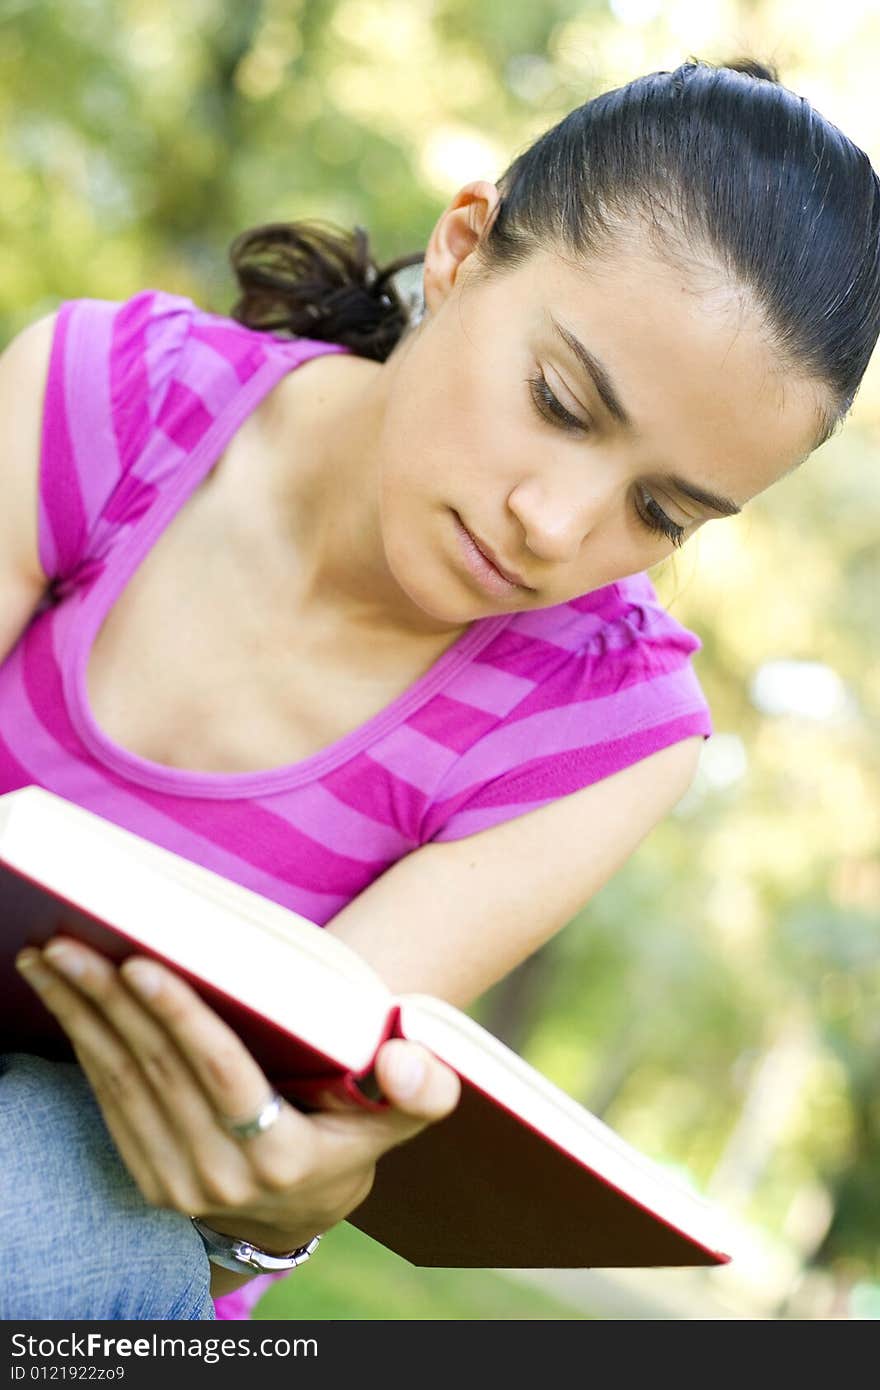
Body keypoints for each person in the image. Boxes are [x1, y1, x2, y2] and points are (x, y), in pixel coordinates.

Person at [3, 55, 879, 1320]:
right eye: (559, 401)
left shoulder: (603, 729)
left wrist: (271, 1223)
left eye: (659, 511)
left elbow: (255, 1128)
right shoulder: (112, 398)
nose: (553, 524)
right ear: (465, 248)